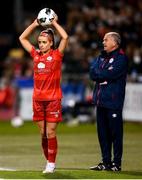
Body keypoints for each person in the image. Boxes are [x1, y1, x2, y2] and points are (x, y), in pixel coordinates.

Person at [19, 15, 68, 173]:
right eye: (39, 42)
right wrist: (34, 24)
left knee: (50, 132)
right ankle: (49, 160)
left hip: (53, 99)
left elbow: (65, 36)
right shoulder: (36, 54)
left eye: (44, 42)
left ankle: (51, 164)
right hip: (38, 100)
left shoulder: (57, 56)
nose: (41, 44)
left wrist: (54, 23)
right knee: (43, 133)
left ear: (51, 43)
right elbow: (22, 38)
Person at [89, 32, 128, 171]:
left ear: (115, 42)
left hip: (113, 102)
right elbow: (92, 72)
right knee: (103, 134)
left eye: (106, 40)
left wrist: (101, 74)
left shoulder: (121, 58)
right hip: (100, 102)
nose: (103, 42)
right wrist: (101, 74)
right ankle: (105, 162)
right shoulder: (101, 56)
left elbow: (110, 74)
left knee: (115, 134)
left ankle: (116, 163)